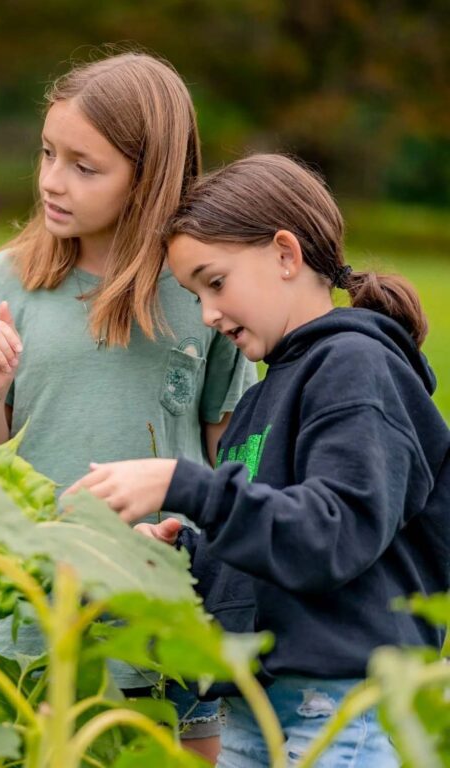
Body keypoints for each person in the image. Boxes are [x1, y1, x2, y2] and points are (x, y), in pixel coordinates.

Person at [68, 153, 450, 767]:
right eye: (194, 294)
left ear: (284, 254)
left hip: (345, 707)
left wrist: (184, 484)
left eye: (214, 282)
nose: (208, 314)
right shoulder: (259, 399)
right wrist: (182, 558)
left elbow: (333, 532)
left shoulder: (356, 368)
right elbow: (264, 554)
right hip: (259, 704)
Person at [0, 52, 256, 762]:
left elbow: (227, 454)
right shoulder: (9, 278)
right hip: (32, 598)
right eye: (49, 154)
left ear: (151, 177)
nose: (52, 180)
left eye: (86, 166)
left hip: (160, 595)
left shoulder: (200, 293)